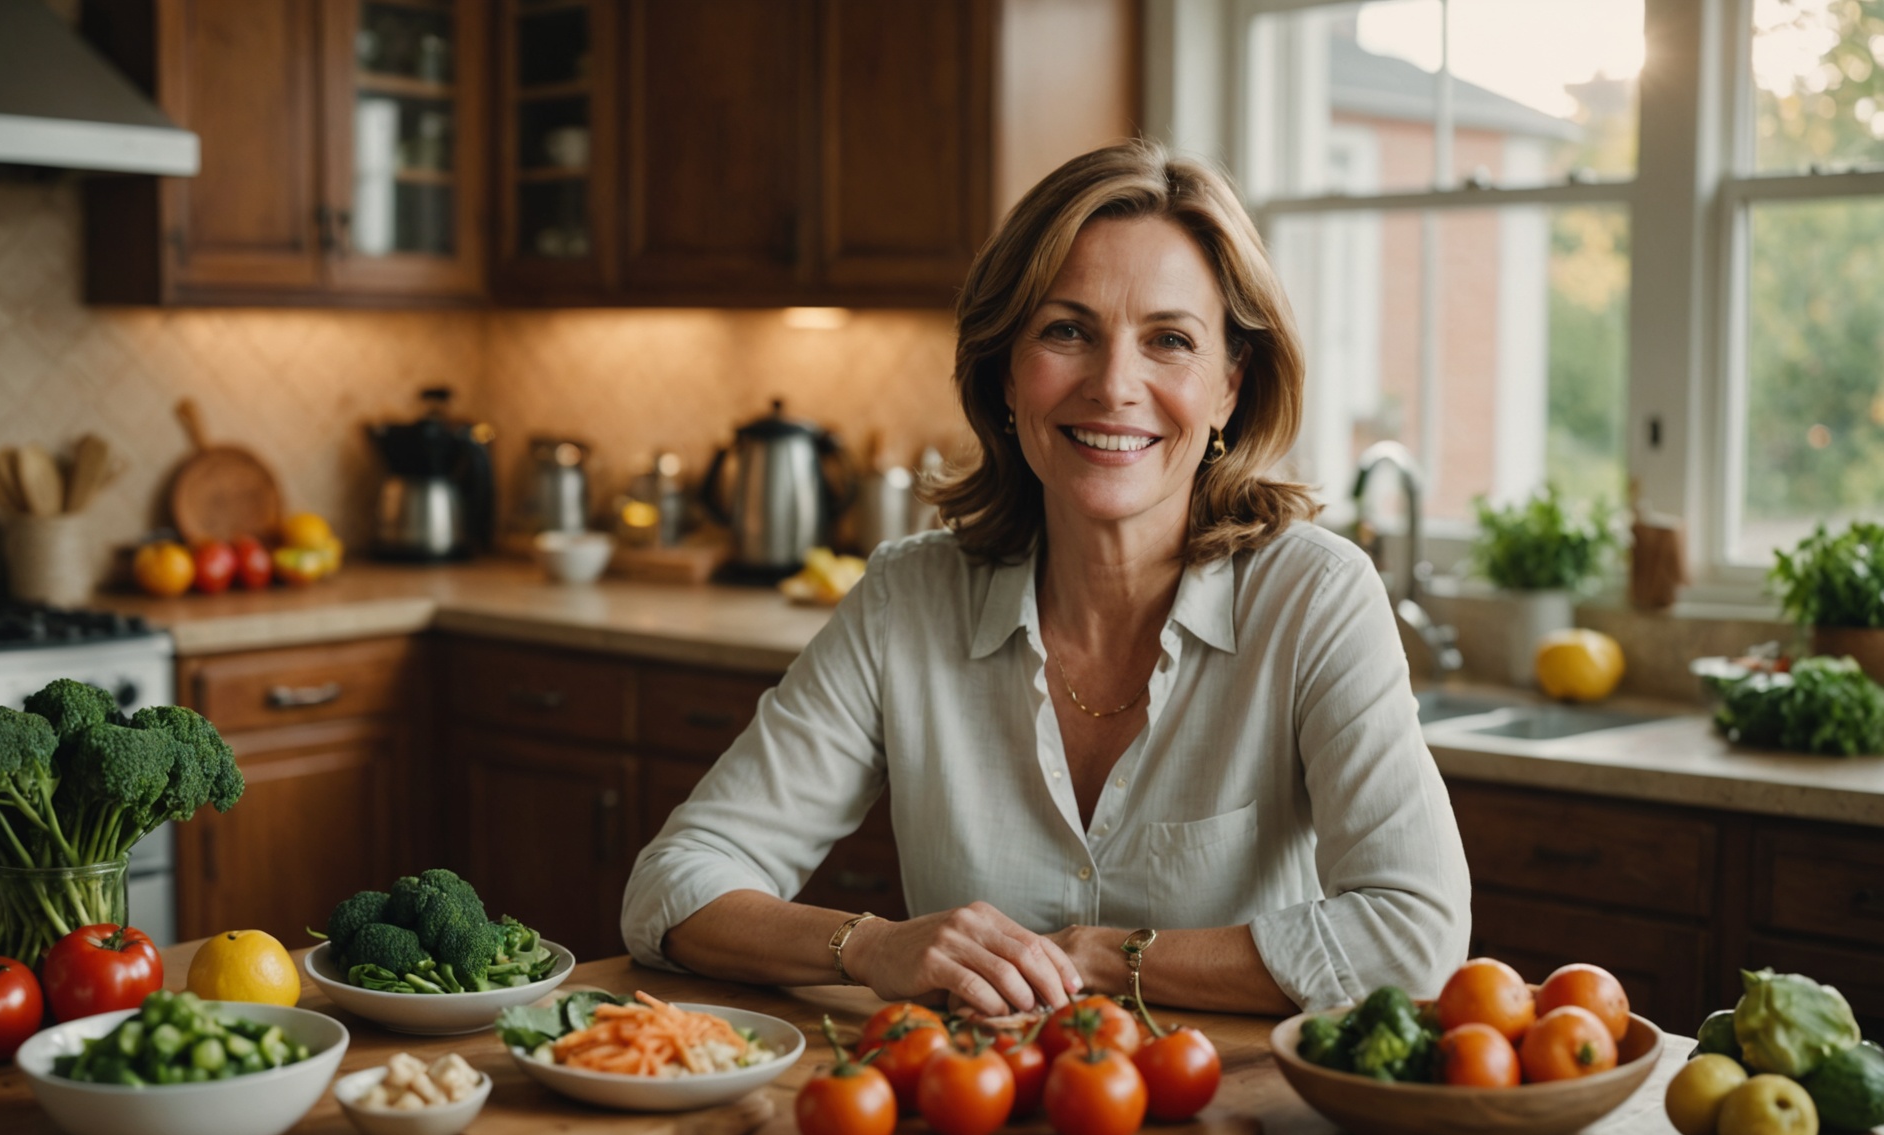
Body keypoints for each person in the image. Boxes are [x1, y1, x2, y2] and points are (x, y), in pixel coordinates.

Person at [620, 140, 1470, 1017]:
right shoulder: (908, 600)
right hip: (968, 1116)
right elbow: (672, 886)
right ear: (1004, 369)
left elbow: (1415, 938)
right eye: (1067, 331)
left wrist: (1103, 958)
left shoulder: (1316, 599)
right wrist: (871, 946)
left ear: (1228, 388)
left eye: (1169, 341)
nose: (1114, 386)